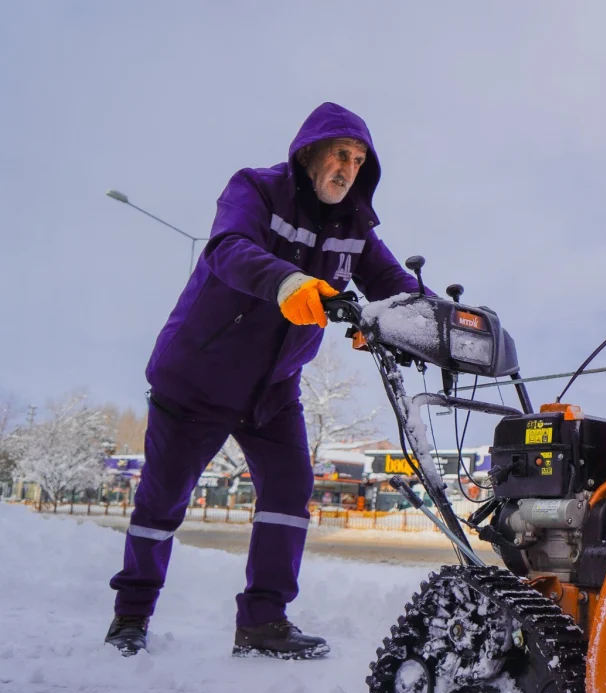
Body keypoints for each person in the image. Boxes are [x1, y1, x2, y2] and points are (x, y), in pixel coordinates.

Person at [106, 102, 428, 658]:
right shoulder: (254, 189)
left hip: (273, 389)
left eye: (358, 161)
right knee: (162, 501)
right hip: (198, 378)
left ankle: (263, 621)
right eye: (339, 155)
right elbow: (228, 249)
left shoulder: (355, 229)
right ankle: (131, 616)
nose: (347, 169)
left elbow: (394, 287)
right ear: (309, 154)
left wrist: (417, 322)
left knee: (288, 491)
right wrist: (288, 282)